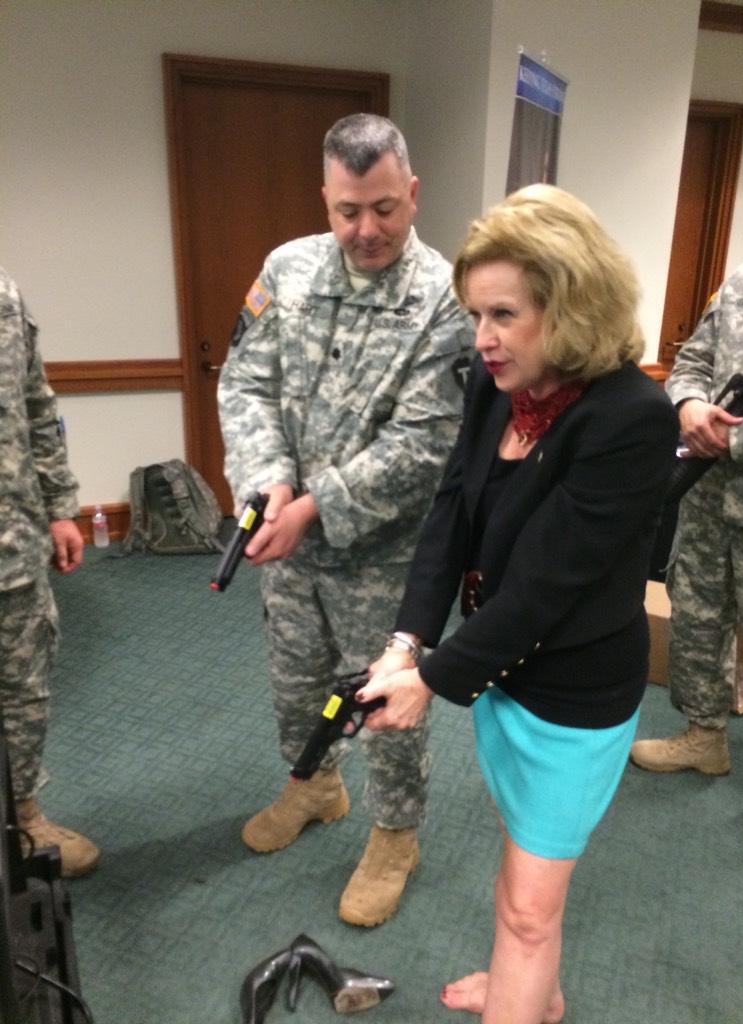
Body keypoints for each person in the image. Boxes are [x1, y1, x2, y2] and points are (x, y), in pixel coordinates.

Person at [356, 184, 679, 1022]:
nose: (482, 339)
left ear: (568, 309)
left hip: (572, 698)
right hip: (502, 674)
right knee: (527, 873)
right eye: (474, 314)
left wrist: (429, 676)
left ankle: (527, 987)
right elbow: (451, 511)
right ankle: (530, 988)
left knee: (529, 909)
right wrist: (408, 638)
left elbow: (548, 587)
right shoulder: (498, 385)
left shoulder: (629, 418)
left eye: (503, 315)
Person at [217, 113, 473, 927]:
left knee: (384, 704)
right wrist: (269, 481)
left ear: (414, 194)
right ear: (325, 197)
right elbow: (245, 384)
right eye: (347, 210)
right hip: (290, 546)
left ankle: (395, 834)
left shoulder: (447, 300)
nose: (366, 229)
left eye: (385, 209)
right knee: (296, 685)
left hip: (387, 557)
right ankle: (317, 788)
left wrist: (315, 506)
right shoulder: (285, 270)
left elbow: (425, 443)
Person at [630, 254, 743, 775]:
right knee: (696, 620)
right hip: (708, 496)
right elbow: (691, 363)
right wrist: (688, 405)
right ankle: (703, 735)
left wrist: (736, 438)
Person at [0, 266, 100, 877]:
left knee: (24, 687)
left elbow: (38, 407)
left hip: (15, 543)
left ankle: (24, 815)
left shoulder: (5, 298)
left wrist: (60, 506)